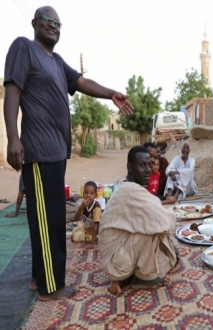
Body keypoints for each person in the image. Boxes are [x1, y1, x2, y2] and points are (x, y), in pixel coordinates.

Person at [3, 6, 134, 301]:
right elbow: (12, 91)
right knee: (49, 221)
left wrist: (111, 92)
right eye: (47, 21)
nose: (53, 26)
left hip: (56, 152)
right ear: (35, 23)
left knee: (44, 218)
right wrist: (13, 137)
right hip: (38, 151)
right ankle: (52, 287)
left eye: (58, 23)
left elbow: (80, 82)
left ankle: (39, 277)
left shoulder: (57, 61)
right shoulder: (24, 48)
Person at [99, 146, 178, 296]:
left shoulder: (128, 187)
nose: (148, 169)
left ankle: (126, 278)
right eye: (142, 165)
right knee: (153, 226)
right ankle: (142, 278)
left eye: (150, 164)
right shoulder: (130, 191)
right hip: (116, 264)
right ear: (130, 167)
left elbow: (153, 205)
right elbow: (164, 221)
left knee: (149, 222)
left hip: (116, 258)